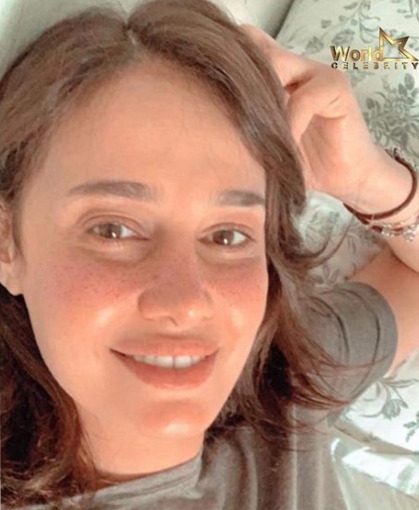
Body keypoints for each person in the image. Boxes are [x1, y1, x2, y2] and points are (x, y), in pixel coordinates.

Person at [0, 0, 418, 508]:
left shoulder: (281, 386)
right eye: (114, 229)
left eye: (227, 235)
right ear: (8, 242)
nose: (186, 303)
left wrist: (368, 180)